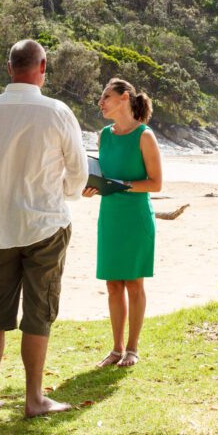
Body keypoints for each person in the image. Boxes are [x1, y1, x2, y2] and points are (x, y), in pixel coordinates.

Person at [0, 39, 89, 418]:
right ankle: (34, 399)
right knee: (38, 312)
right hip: (45, 225)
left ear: (9, 68)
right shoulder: (57, 111)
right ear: (43, 67)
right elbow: (79, 172)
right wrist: (65, 195)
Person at [83, 78, 163, 369]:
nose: (101, 102)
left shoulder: (144, 136)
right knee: (113, 284)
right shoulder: (104, 135)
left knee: (134, 283)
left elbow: (156, 184)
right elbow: (102, 174)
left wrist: (122, 185)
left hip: (135, 216)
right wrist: (92, 187)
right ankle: (116, 348)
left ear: (125, 98)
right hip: (110, 216)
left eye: (106, 96)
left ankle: (132, 349)